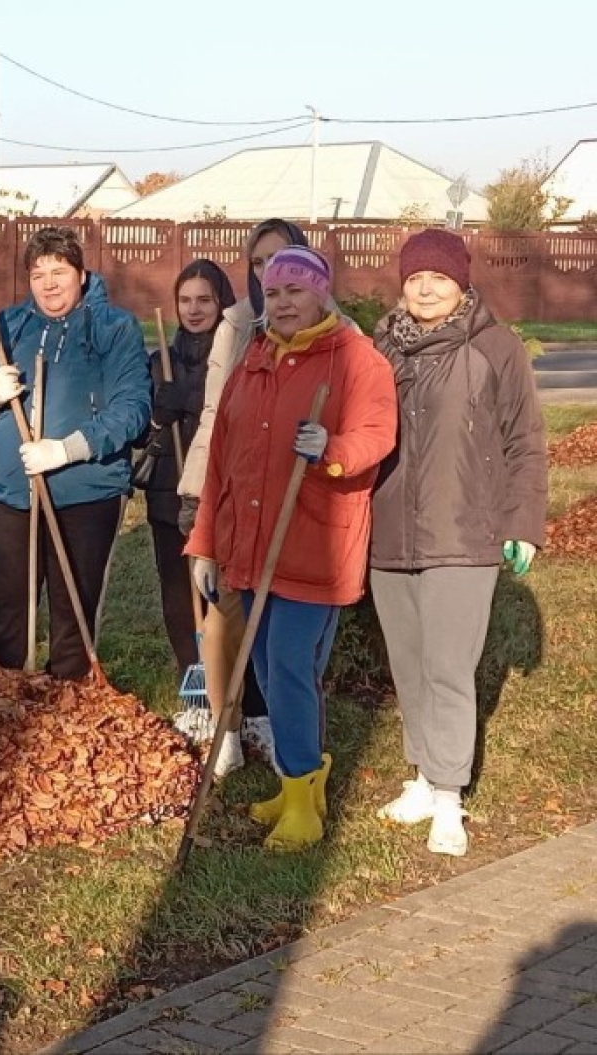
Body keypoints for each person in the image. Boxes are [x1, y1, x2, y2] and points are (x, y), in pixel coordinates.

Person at [185, 246, 397, 852]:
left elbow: (377, 435)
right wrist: (206, 543)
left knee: (288, 667)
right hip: (250, 547)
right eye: (274, 292)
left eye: (295, 291)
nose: (282, 302)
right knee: (263, 666)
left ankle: (304, 801)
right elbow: (221, 462)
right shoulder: (253, 360)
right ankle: (298, 785)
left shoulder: (355, 359)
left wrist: (332, 449)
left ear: (321, 293)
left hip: (312, 545)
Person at [370, 229, 547, 857]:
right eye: (415, 278)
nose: (425, 289)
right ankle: (422, 777)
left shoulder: (495, 348)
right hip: (390, 532)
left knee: (448, 667)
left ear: (461, 283)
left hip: (464, 534)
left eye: (438, 278)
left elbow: (525, 440)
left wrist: (523, 523)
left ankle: (448, 796)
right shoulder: (381, 349)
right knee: (409, 665)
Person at [176, 220, 355, 774]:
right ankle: (226, 726)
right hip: (235, 497)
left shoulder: (342, 337)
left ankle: (283, 731)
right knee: (223, 621)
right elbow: (217, 415)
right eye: (258, 264)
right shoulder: (237, 325)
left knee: (287, 642)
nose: (268, 276)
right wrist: (201, 500)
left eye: (281, 263)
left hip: (301, 506)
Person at [0, 226, 151, 680]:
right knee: (6, 612)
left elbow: (132, 410)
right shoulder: (9, 326)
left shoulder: (113, 328)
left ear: (81, 274)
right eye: (38, 274)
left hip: (86, 495)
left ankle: (66, 703)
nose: (48, 283)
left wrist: (66, 450)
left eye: (59, 271)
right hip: (11, 496)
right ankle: (2, 699)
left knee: (73, 612)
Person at [134, 259, 236, 697]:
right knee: (178, 592)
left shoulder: (236, 356)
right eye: (185, 300)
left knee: (220, 591)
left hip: (221, 489)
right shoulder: (161, 361)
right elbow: (139, 429)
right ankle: (191, 680)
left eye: (204, 300)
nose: (194, 310)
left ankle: (226, 684)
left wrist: (192, 402)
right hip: (169, 488)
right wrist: (160, 413)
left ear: (221, 303)